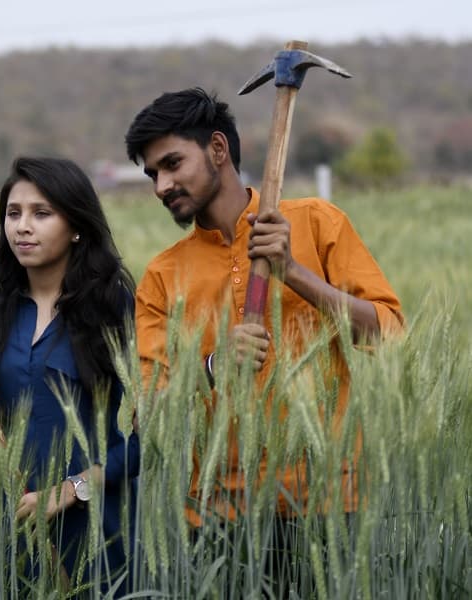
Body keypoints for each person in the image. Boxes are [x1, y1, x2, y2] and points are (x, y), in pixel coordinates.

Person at [124, 87, 404, 588]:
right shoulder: (162, 277)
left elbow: (391, 334)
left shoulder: (317, 223)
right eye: (152, 174)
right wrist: (211, 366)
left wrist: (294, 272)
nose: (162, 186)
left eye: (171, 164)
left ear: (217, 149)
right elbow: (149, 411)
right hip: (218, 523)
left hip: (330, 506)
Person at [0, 156, 140, 594]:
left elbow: (155, 434)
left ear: (76, 225)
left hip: (99, 529)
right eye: (13, 213)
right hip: (16, 525)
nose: (23, 226)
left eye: (42, 214)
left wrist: (72, 489)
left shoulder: (113, 308)